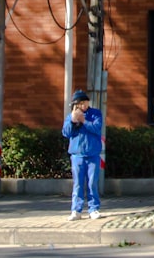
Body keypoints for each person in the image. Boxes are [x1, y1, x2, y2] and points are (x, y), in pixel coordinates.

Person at [62, 89, 103, 220]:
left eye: (85, 102)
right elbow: (66, 133)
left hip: (93, 154)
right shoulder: (71, 116)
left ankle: (94, 208)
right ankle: (76, 210)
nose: (84, 105)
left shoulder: (95, 114)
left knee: (92, 183)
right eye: (81, 103)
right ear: (76, 104)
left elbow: (97, 128)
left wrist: (84, 121)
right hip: (77, 155)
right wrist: (73, 121)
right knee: (78, 183)